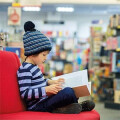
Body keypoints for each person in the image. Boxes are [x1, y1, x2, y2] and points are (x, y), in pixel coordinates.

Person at [17, 21, 95, 114]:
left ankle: (68, 107)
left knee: (71, 90)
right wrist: (46, 90)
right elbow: (25, 93)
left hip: (44, 100)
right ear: (32, 53)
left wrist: (50, 82)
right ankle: (76, 107)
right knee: (68, 92)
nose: (45, 58)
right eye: (43, 55)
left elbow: (39, 82)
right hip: (37, 106)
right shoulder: (25, 69)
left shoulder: (34, 66)